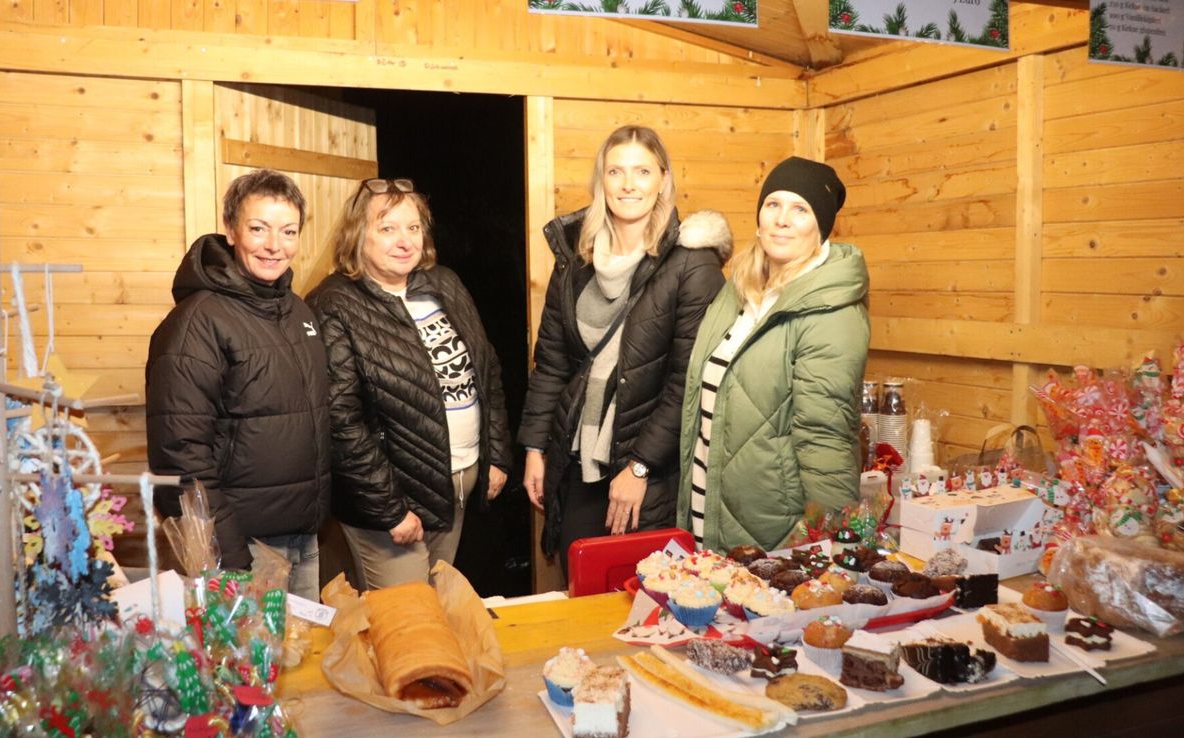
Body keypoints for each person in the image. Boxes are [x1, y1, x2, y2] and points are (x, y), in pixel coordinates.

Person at [518, 125, 730, 567]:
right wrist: (536, 449)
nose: (629, 184)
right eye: (616, 171)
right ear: (601, 181)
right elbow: (553, 363)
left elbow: (687, 382)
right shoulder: (576, 259)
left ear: (663, 180)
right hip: (578, 462)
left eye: (642, 171)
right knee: (582, 591)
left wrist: (639, 467)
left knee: (643, 605)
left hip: (650, 471)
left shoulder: (693, 264)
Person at [306, 178, 511, 590]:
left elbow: (486, 370)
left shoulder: (445, 284)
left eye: (413, 228)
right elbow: (340, 420)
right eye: (387, 229)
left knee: (435, 604)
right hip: (392, 498)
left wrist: (497, 455)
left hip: (457, 481)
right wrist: (389, 508)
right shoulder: (335, 303)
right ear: (357, 236)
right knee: (407, 623)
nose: (404, 241)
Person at [146, 169, 330, 600]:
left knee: (301, 663)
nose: (274, 245)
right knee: (248, 668)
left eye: (288, 231)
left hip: (302, 539)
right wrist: (228, 558)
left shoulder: (297, 311)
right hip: (242, 548)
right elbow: (180, 456)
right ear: (231, 230)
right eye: (258, 229)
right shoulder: (197, 323)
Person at [678, 156, 870, 553]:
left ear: (821, 226)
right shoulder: (739, 291)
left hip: (774, 536)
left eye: (801, 209)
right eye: (773, 204)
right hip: (705, 514)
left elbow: (826, 437)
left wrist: (830, 544)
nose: (783, 219)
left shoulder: (831, 312)